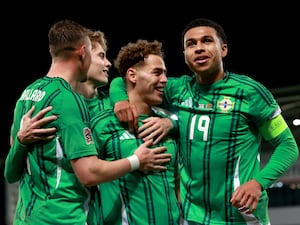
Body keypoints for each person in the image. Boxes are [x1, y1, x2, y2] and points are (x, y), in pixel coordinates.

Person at [109, 18, 299, 225]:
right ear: (184, 56)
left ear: (223, 49)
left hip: (241, 215)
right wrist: (120, 101)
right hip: (194, 217)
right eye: (191, 44)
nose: (198, 48)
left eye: (207, 41)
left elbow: (288, 146)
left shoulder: (250, 92)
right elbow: (123, 79)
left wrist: (259, 183)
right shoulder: (178, 89)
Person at [4, 19, 171, 225]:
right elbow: (89, 172)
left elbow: (10, 173)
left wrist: (168, 122)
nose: (108, 63)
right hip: (65, 216)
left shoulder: (28, 95)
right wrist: (137, 160)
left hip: (27, 217)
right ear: (84, 53)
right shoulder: (68, 101)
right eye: (100, 55)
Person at [91, 39, 182, 225]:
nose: (164, 80)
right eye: (157, 73)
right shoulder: (102, 124)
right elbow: (86, 176)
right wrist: (134, 162)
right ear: (132, 76)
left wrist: (171, 123)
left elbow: (178, 182)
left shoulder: (168, 123)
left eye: (165, 73)